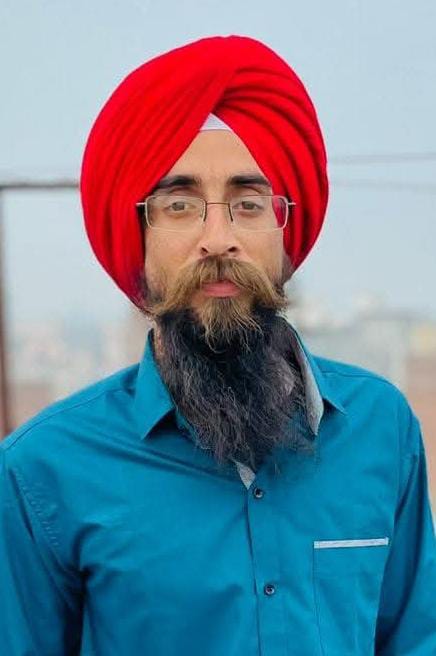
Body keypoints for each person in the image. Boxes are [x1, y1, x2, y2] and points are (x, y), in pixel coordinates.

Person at [1, 34, 435, 656]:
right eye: (179, 205)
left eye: (248, 203)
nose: (217, 237)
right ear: (138, 236)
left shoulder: (381, 428)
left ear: (285, 230)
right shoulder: (43, 470)